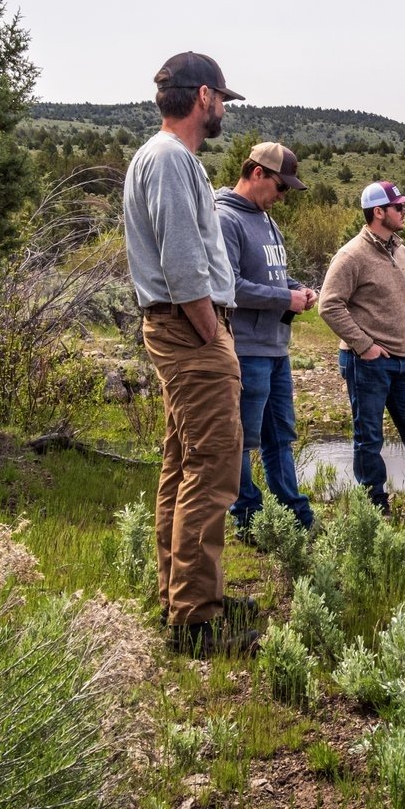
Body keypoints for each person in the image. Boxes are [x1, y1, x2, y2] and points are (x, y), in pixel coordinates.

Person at [122, 51, 256, 657]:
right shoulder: (172, 160)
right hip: (190, 328)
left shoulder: (162, 159)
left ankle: (184, 599)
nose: (224, 109)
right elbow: (182, 265)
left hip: (178, 326)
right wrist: (214, 335)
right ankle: (197, 623)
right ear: (204, 96)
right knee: (213, 466)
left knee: (184, 463)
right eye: (223, 99)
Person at [318, 181, 405, 515]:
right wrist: (365, 346)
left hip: (404, 359)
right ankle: (375, 506)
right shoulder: (352, 254)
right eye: (398, 207)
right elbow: (329, 305)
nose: (404, 211)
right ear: (378, 212)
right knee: (369, 436)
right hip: (366, 362)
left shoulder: (401, 250)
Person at [214, 142, 319, 538]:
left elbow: (272, 277)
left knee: (281, 435)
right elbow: (230, 286)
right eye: (280, 187)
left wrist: (297, 290)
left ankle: (294, 512)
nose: (282, 196)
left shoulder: (266, 220)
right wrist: (284, 298)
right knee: (242, 438)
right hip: (246, 349)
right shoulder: (226, 219)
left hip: (276, 348)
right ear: (257, 173)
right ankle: (247, 516)